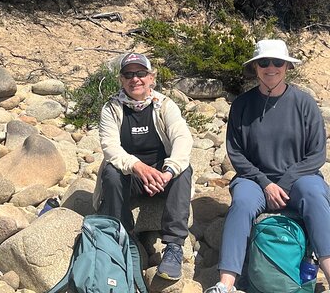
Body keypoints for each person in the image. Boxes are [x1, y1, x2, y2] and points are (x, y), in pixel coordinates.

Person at [205, 39, 330, 293]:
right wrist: (266, 184)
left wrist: (283, 183)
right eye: (264, 62)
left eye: (278, 62)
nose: (271, 67)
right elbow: (236, 154)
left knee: (315, 194)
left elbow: (316, 154)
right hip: (254, 180)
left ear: (287, 67)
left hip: (299, 179)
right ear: (255, 67)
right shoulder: (241, 104)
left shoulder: (304, 104)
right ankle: (226, 283)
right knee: (241, 202)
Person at [94, 52, 194, 281]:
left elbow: (182, 138)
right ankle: (123, 237)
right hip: (133, 176)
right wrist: (138, 167)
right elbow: (110, 148)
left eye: (141, 73)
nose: (135, 79)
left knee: (183, 170)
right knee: (111, 172)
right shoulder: (112, 109)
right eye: (128, 74)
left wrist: (168, 172)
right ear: (121, 80)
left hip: (162, 175)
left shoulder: (165, 105)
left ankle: (174, 247)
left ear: (151, 78)